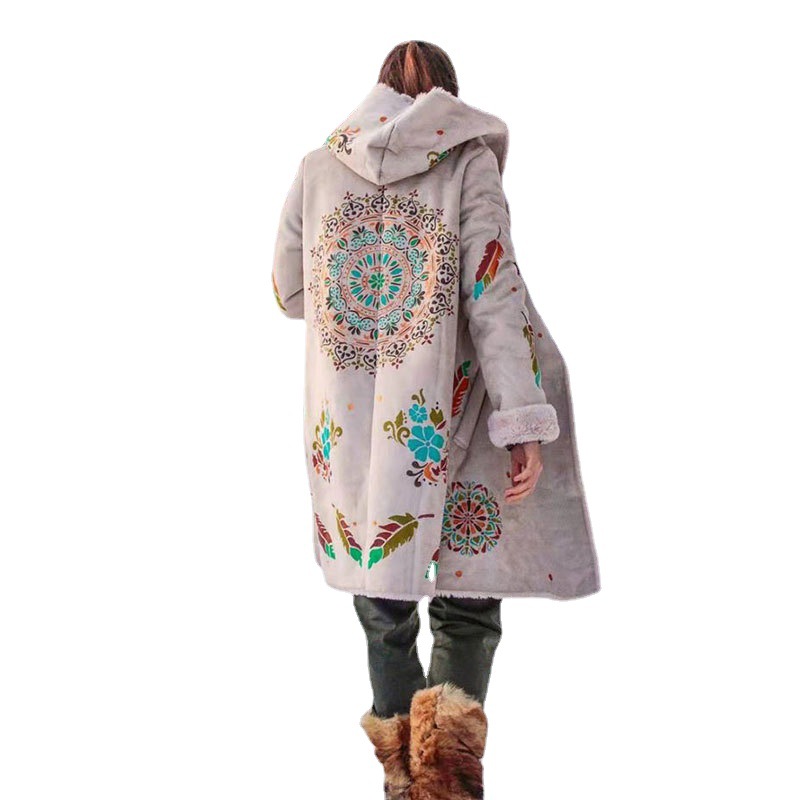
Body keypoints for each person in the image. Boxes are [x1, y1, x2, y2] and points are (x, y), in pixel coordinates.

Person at [272, 40, 600, 800]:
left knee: (382, 604)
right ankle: (446, 783)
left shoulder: (319, 169)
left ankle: (402, 778)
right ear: (448, 98)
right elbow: (493, 295)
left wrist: (368, 311)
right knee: (467, 602)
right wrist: (522, 421)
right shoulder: (467, 161)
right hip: (454, 412)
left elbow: (290, 291)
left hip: (355, 426)